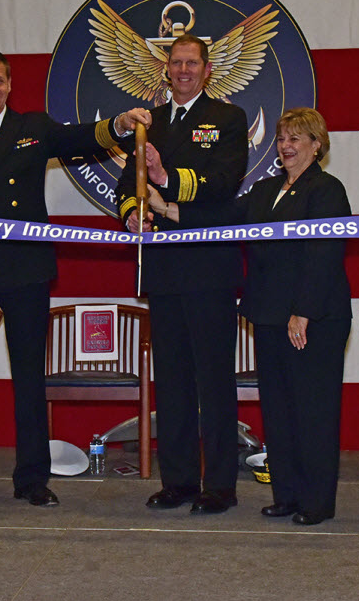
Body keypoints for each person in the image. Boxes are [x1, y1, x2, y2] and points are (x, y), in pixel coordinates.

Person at [0, 49, 150, 510]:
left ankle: (32, 478)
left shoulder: (34, 128)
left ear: (10, 85)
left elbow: (82, 138)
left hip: (26, 271)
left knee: (29, 378)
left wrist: (121, 125)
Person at [148, 108, 351, 525]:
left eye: (297, 138)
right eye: (281, 139)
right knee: (277, 410)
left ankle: (316, 502)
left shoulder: (328, 190)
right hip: (269, 315)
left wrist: (304, 312)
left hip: (311, 318)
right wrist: (168, 210)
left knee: (311, 409)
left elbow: (324, 256)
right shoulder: (267, 189)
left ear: (317, 145)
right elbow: (223, 217)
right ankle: (288, 495)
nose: (287, 146)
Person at [116, 34, 248, 515]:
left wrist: (164, 180)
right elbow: (124, 186)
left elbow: (222, 183)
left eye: (193, 63)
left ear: (208, 70)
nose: (184, 70)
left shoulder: (229, 120)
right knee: (171, 382)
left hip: (210, 269)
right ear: (166, 69)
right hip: (165, 272)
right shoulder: (147, 124)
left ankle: (219, 486)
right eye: (176, 63)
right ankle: (178, 481)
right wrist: (134, 212)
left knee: (213, 381)